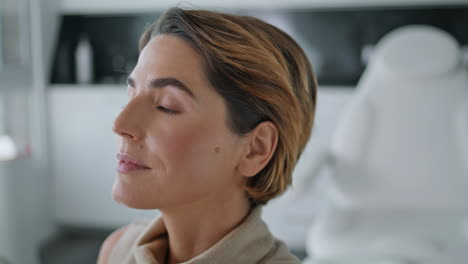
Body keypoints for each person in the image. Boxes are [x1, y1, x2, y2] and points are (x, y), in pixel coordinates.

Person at [97, 6, 317, 264]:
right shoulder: (118, 251)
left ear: (255, 148)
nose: (120, 124)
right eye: (131, 96)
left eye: (167, 105)